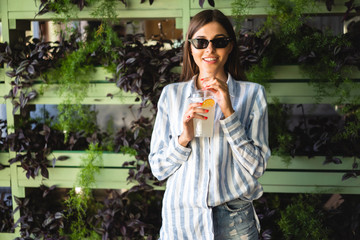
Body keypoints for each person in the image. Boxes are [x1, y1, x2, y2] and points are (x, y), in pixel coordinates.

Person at [149, 9, 271, 240]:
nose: (210, 50)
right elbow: (158, 169)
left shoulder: (253, 94)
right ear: (190, 47)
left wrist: (229, 113)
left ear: (231, 46)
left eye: (219, 42)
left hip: (235, 218)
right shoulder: (171, 96)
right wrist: (183, 139)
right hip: (182, 218)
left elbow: (258, 167)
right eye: (201, 42)